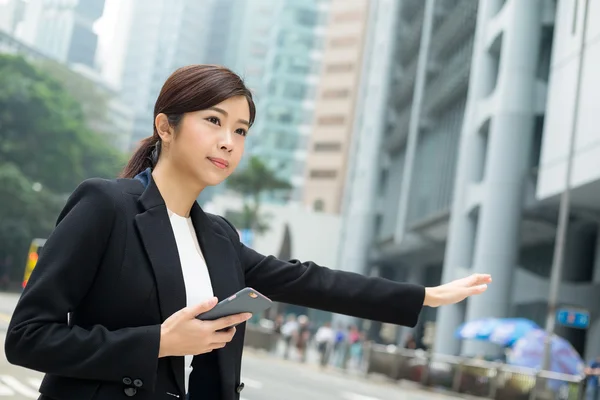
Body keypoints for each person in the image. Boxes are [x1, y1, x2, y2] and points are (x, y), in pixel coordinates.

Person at [4, 64, 492, 400]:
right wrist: (157, 342)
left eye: (240, 130)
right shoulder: (105, 206)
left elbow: (310, 281)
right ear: (166, 127)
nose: (228, 141)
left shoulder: (218, 237)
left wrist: (422, 295)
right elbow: (27, 338)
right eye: (213, 120)